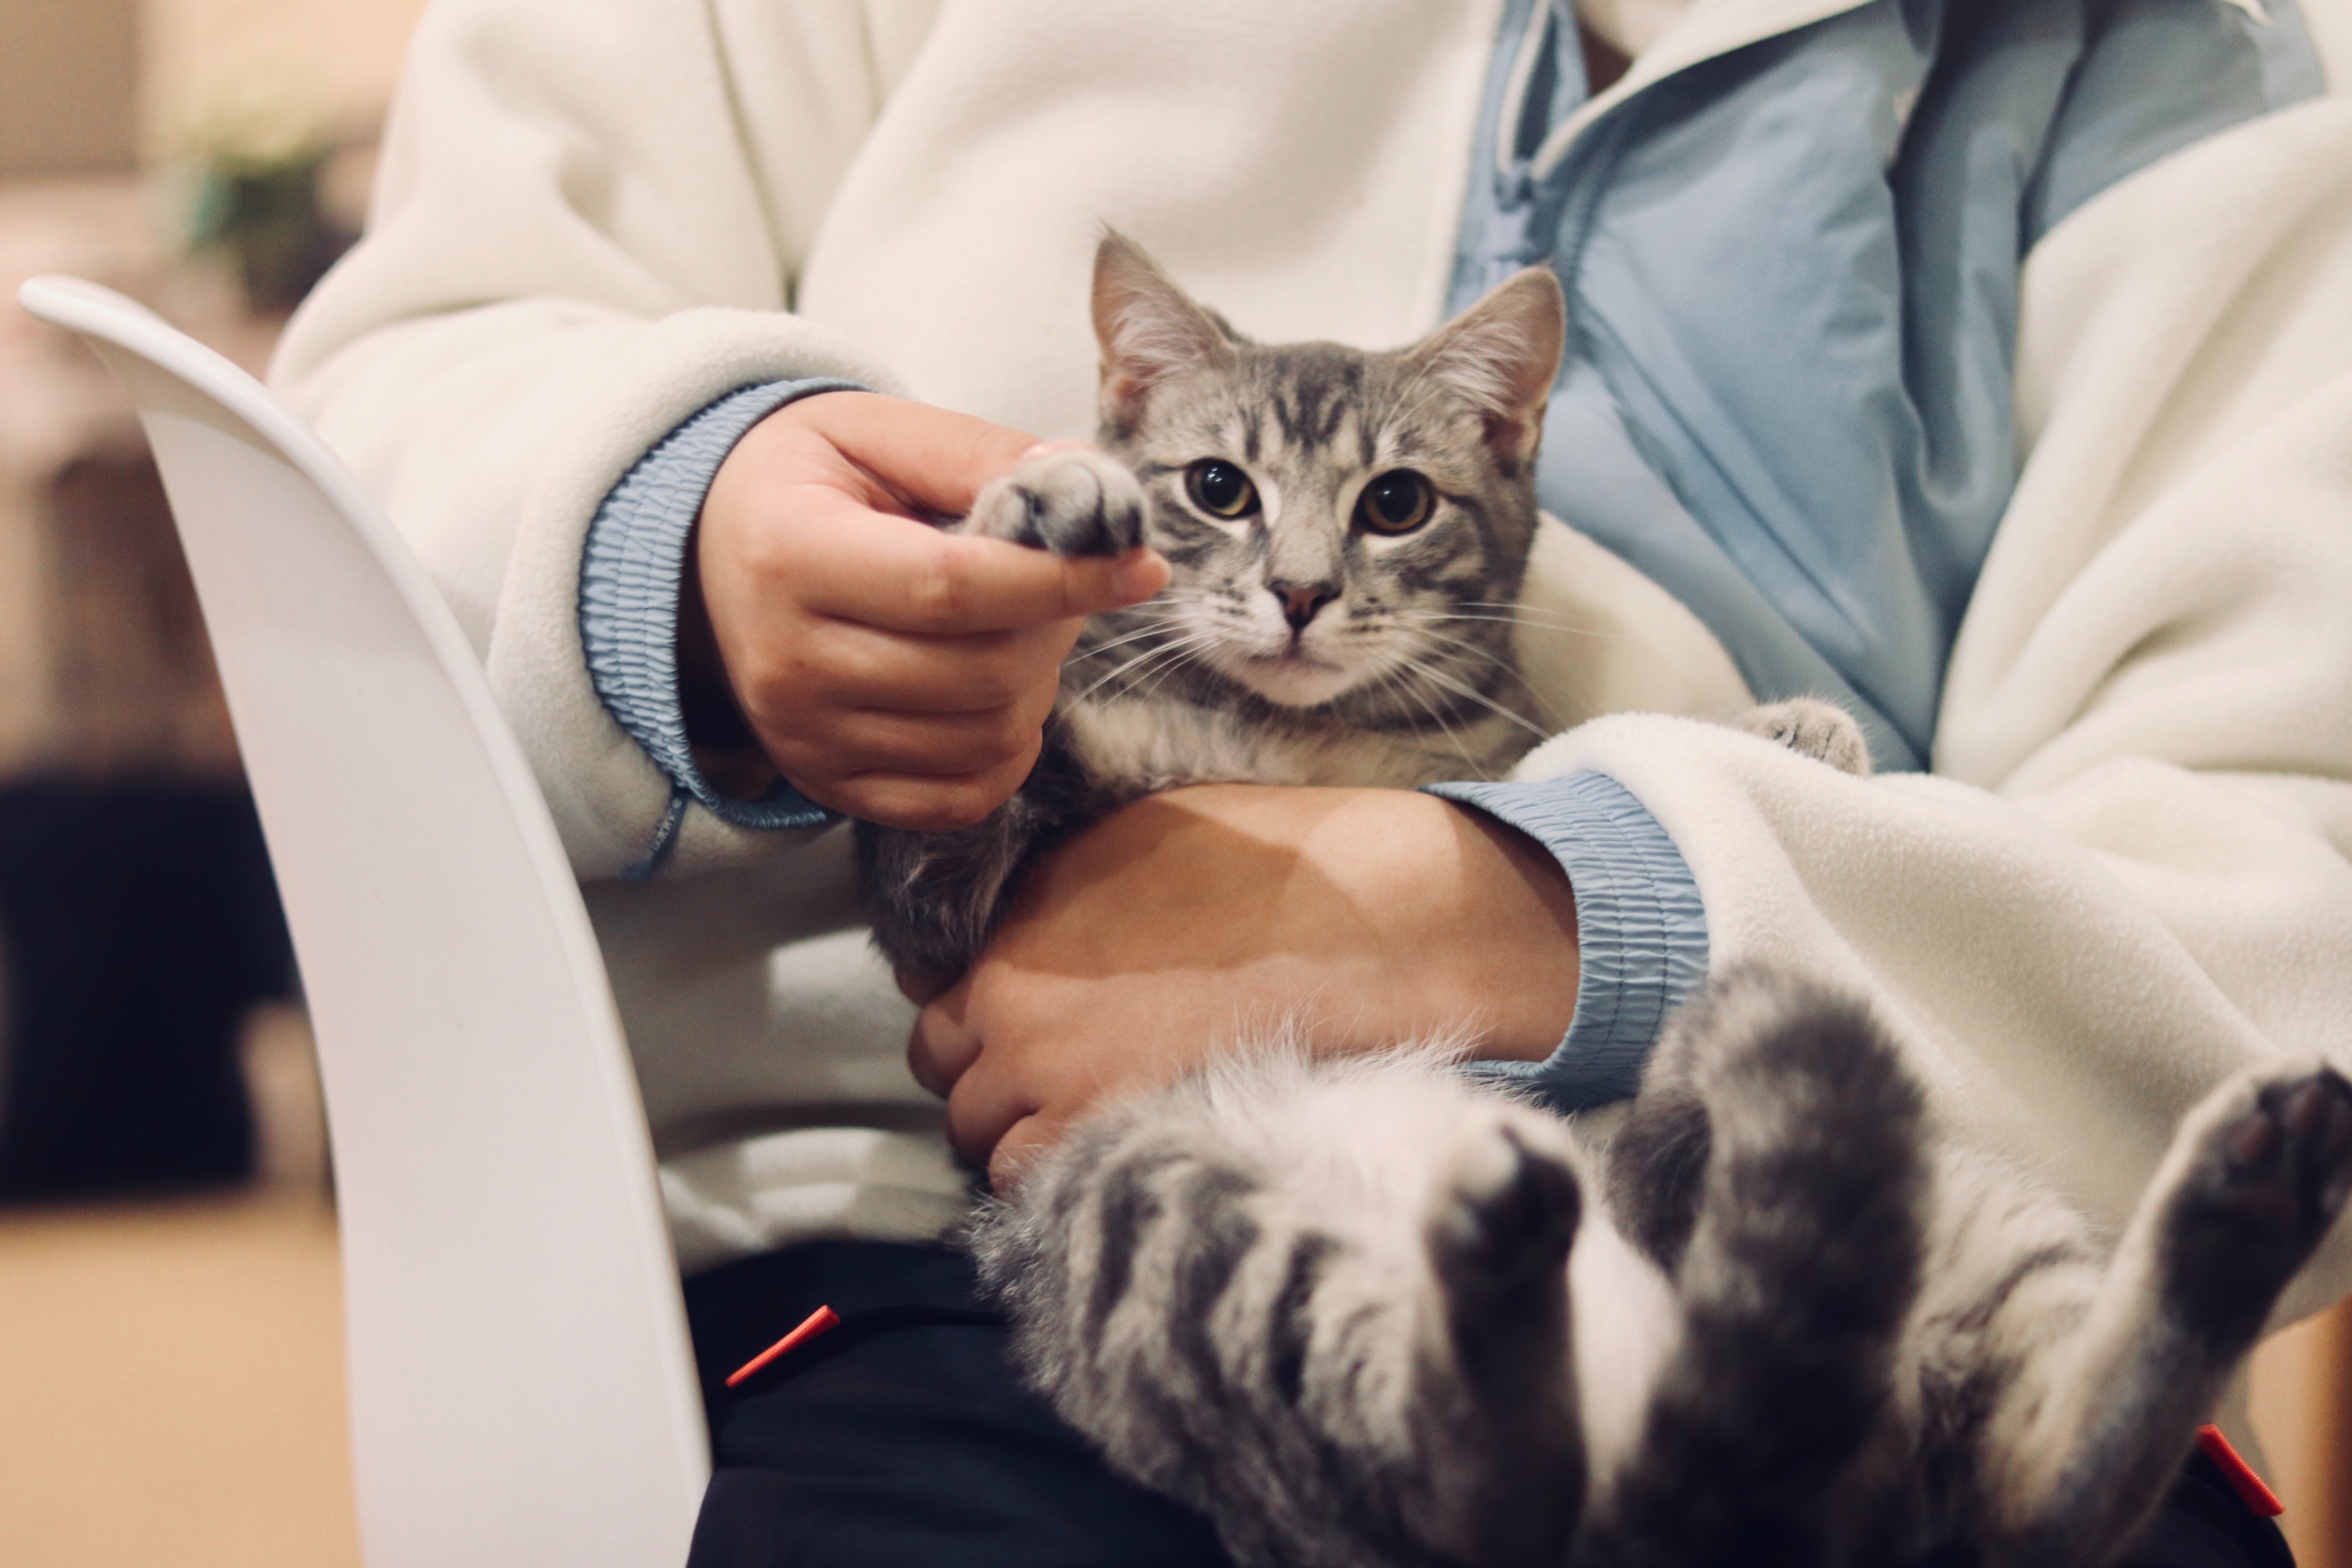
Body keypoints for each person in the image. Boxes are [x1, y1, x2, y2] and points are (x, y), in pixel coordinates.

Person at [272, 1, 2352, 1562]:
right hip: (929, 1231)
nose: (1281, 582)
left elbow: (2289, 893)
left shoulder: (2212, 70)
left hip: (1791, 1232)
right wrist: (695, 528)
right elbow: (393, 395)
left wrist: (1547, 909)